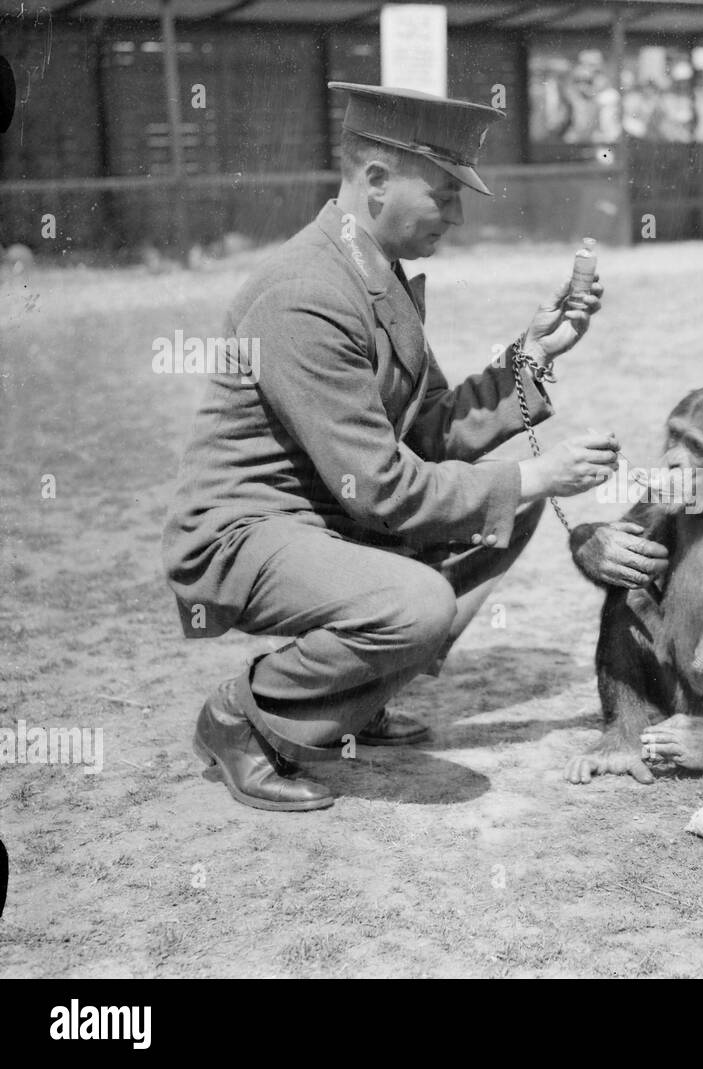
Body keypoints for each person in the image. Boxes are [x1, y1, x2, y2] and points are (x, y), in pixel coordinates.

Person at [162, 82, 615, 812]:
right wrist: (537, 471)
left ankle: (356, 702)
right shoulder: (305, 291)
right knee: (420, 601)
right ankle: (243, 718)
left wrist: (533, 357)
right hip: (243, 536)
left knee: (511, 505)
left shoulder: (372, 271)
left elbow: (430, 428)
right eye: (444, 193)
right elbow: (380, 486)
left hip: (325, 519)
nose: (459, 215)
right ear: (375, 182)